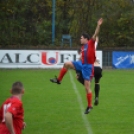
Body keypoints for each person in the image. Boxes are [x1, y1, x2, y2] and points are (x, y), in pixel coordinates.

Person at [50, 18, 103, 114]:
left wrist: (98, 25)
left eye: (81, 38)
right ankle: (59, 80)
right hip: (82, 64)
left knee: (87, 88)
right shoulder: (83, 48)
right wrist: (76, 66)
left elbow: (96, 34)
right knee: (67, 64)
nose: (80, 39)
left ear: (86, 39)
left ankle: (89, 106)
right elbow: (82, 58)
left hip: (88, 67)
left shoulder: (91, 43)